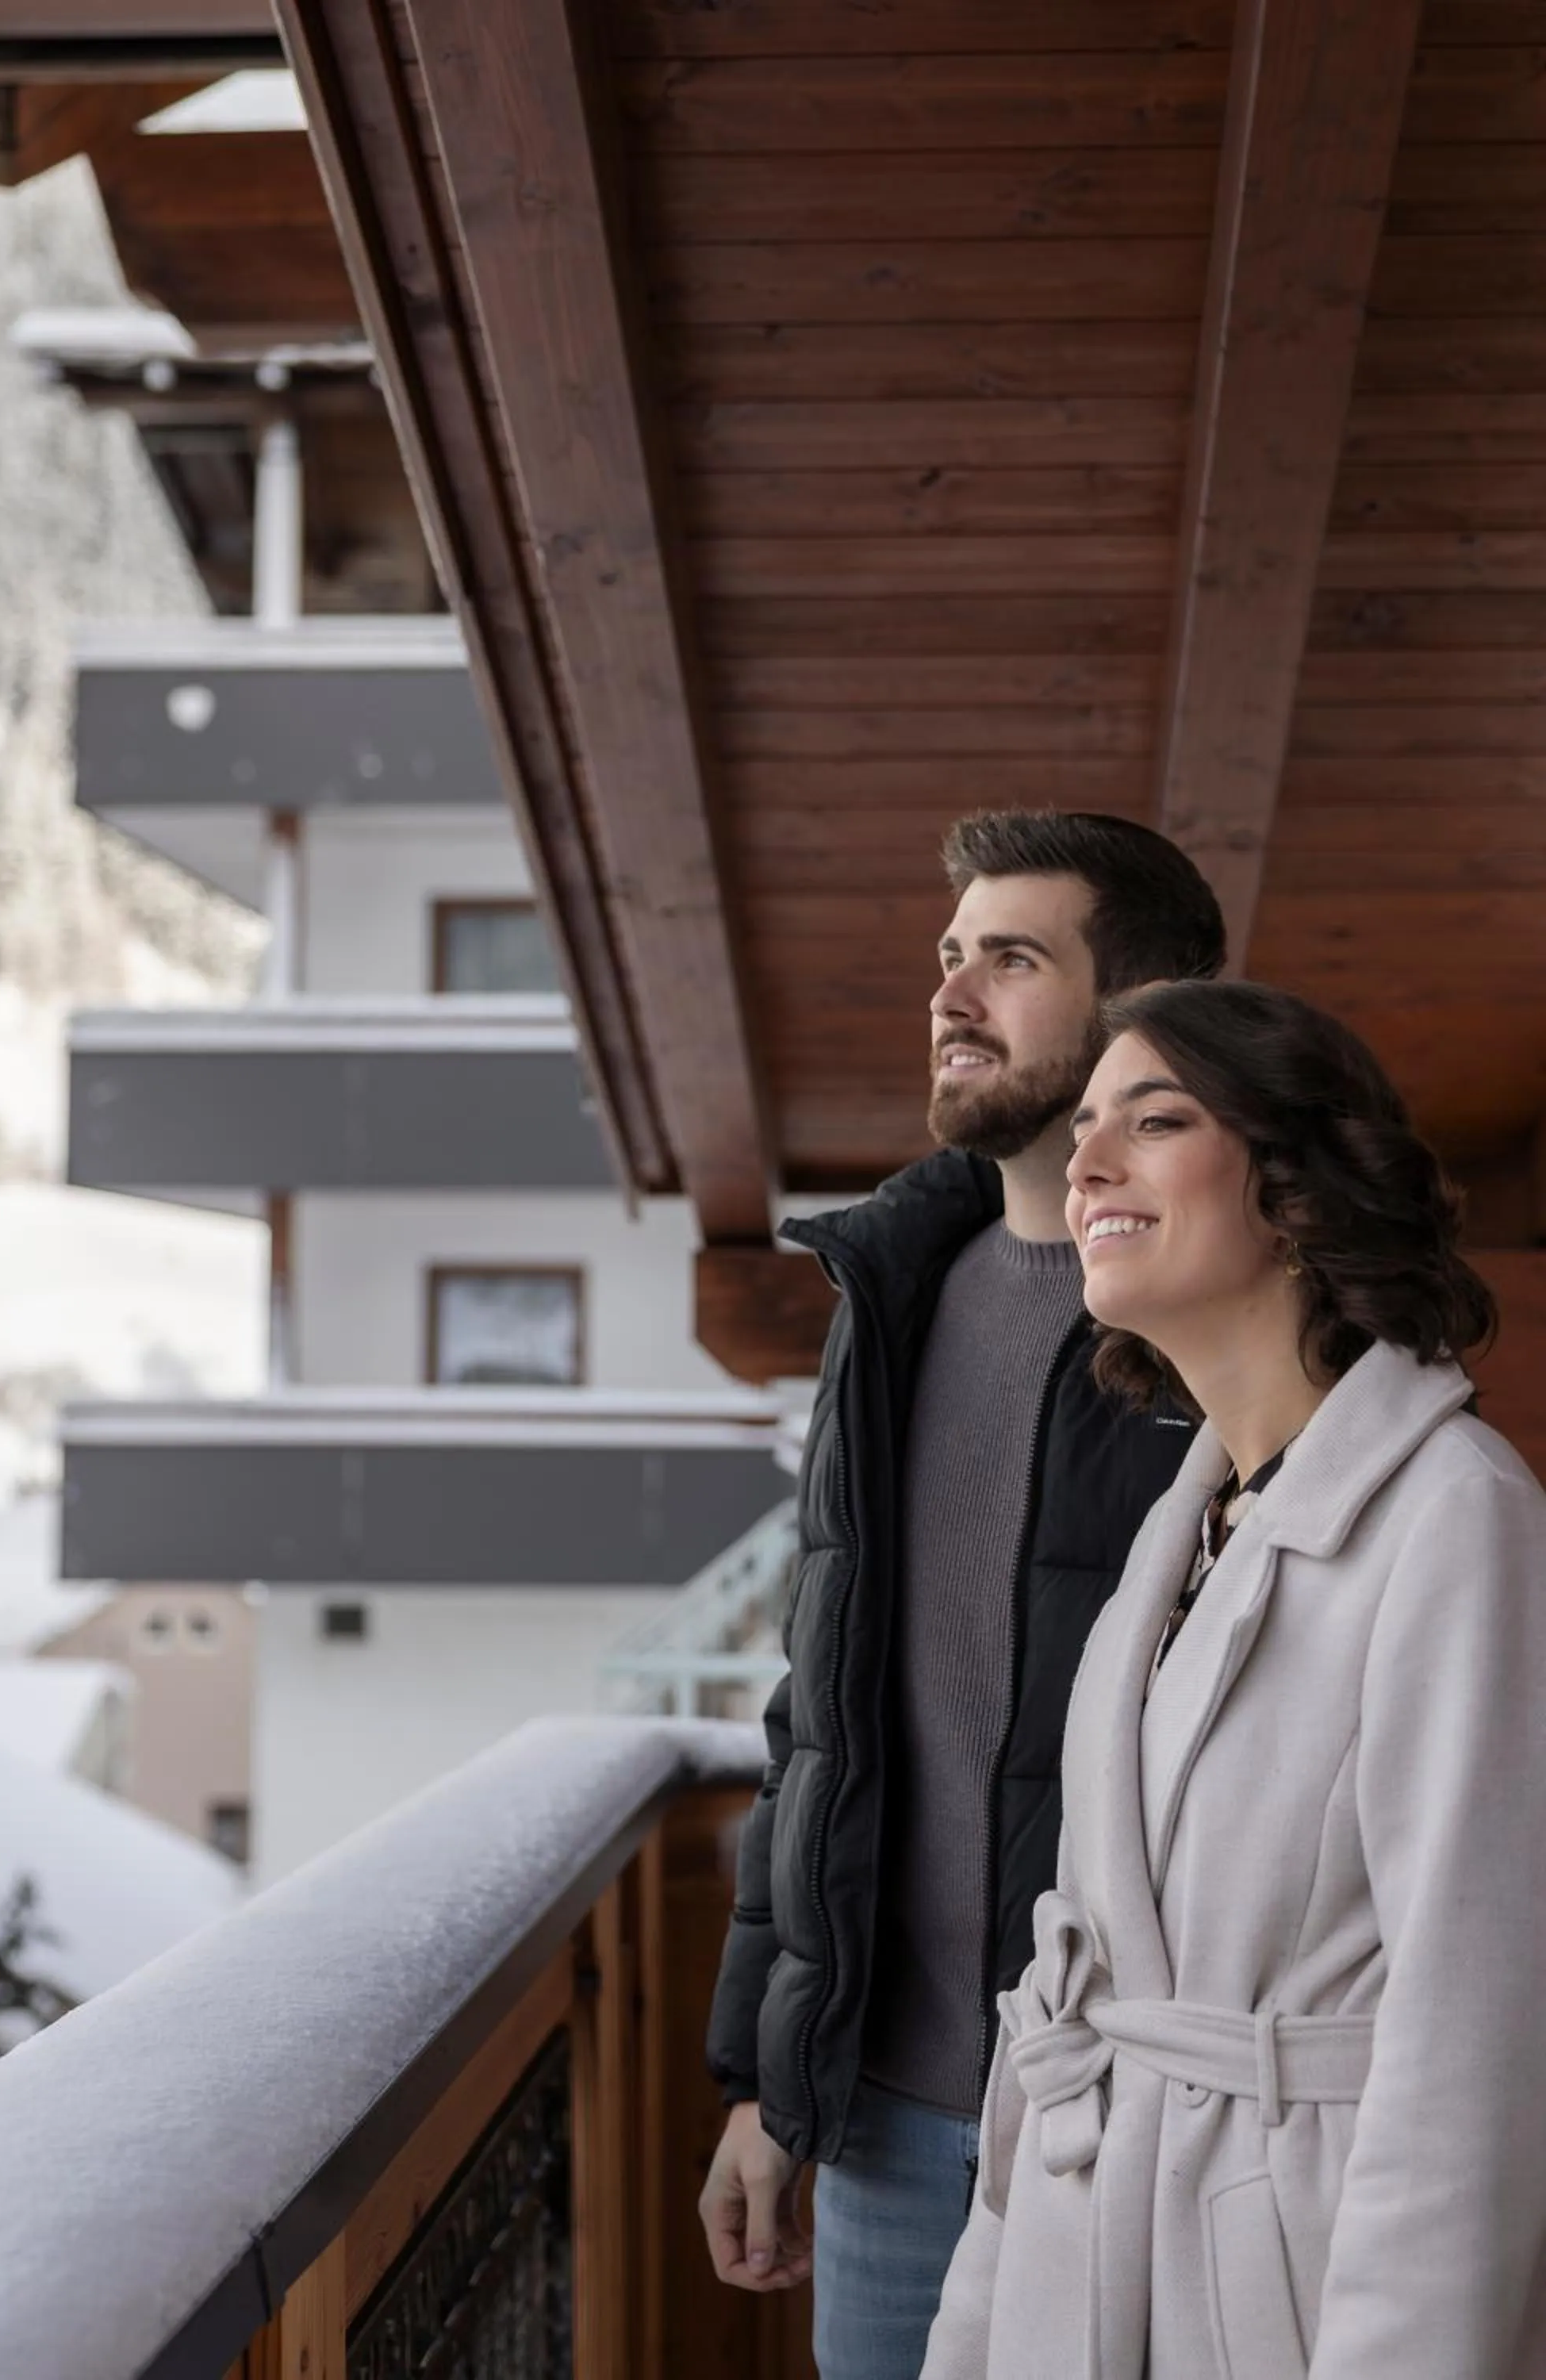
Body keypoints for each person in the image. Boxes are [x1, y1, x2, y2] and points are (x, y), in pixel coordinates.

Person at [925, 977, 1546, 2380]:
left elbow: (1477, 2054)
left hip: (1290, 2285)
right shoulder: (1182, 1527)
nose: (1084, 1164)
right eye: (1083, 1127)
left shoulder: (1456, 1519)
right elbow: (1069, 1999)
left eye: (1153, 1122)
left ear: (1297, 1189)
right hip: (1082, 2245)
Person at [698, 811, 1227, 2380]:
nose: (952, 994)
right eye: (948, 956)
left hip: (1138, 2134)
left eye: (1011, 958)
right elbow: (819, 1718)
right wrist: (763, 2081)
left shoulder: (1225, 1321)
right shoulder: (888, 1293)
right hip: (884, 2129)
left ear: (1141, 1012)